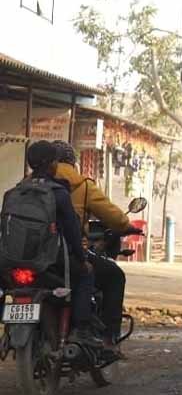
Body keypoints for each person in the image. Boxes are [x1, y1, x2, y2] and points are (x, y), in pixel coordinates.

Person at [52, 140, 138, 352]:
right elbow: (114, 217)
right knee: (114, 276)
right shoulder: (83, 186)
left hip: (31, 256)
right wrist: (127, 226)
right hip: (68, 252)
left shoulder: (28, 184)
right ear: (73, 162)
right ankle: (109, 338)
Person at [21, 141, 102, 347]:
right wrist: (82, 259)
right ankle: (81, 329)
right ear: (52, 164)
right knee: (85, 274)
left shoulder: (17, 191)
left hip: (17, 259)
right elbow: (73, 232)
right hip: (52, 260)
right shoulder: (59, 192)